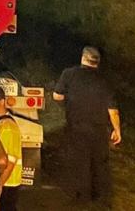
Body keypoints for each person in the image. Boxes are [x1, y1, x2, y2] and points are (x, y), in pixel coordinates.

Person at [53, 45, 120, 204]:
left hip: (76, 127)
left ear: (83, 58)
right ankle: (101, 198)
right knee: (99, 163)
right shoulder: (104, 81)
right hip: (99, 130)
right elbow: (113, 110)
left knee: (79, 162)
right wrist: (117, 130)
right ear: (97, 62)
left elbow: (57, 96)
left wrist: (68, 101)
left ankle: (81, 197)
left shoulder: (69, 74)